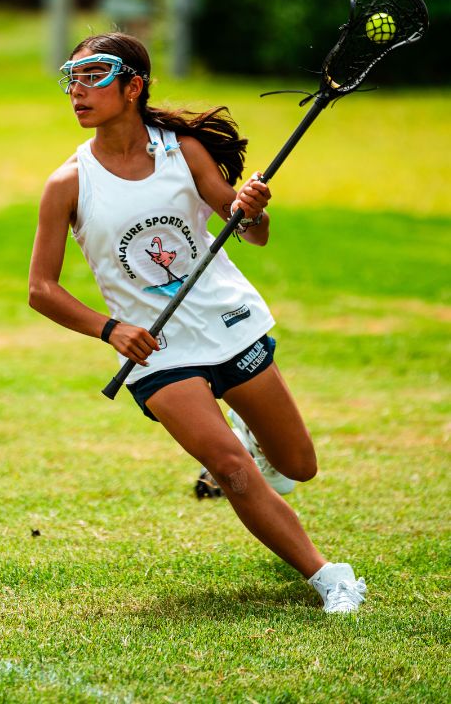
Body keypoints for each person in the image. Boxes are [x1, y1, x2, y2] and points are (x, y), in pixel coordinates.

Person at [29, 33, 367, 615]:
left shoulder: (182, 150)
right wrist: (110, 330)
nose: (77, 92)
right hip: (154, 351)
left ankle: (254, 439)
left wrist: (251, 210)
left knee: (298, 466)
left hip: (226, 321)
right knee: (230, 471)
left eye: (93, 77)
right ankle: (328, 576)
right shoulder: (68, 183)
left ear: (133, 86)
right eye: (71, 79)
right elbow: (42, 289)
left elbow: (248, 232)